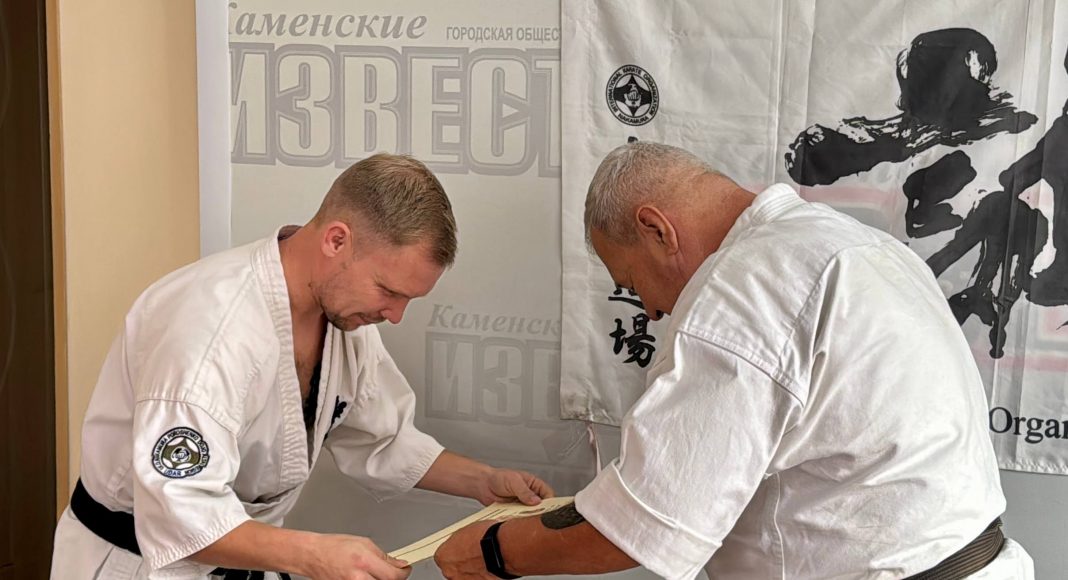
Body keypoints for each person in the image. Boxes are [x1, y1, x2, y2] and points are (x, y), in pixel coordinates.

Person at [433, 142, 1034, 579]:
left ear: (656, 230)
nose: (652, 310)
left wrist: (493, 551)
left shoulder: (744, 285)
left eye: (632, 282)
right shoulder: (859, 245)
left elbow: (647, 521)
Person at [50, 153, 553, 580]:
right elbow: (180, 509)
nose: (396, 315)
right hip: (134, 565)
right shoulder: (208, 329)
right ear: (336, 240)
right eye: (388, 291)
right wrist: (314, 555)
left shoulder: (344, 320)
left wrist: (484, 481)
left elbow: (382, 439)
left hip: (240, 561)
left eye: (408, 299)